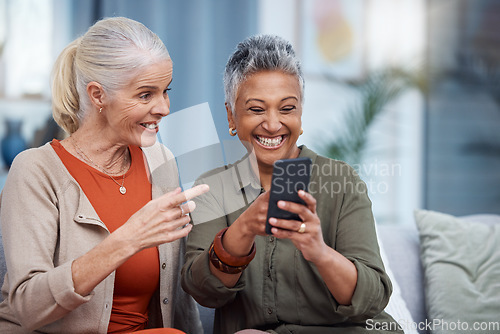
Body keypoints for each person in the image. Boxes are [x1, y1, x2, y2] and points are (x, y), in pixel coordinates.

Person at [181, 35, 403, 334]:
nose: (273, 125)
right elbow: (203, 292)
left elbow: (372, 299)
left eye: (286, 109)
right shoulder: (212, 188)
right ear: (231, 116)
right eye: (257, 110)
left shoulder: (341, 181)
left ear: (300, 114)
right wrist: (243, 229)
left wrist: (319, 251)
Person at [0, 17, 208, 333]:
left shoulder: (160, 160)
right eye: (145, 95)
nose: (164, 107)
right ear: (98, 95)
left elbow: (178, 293)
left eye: (165, 91)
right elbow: (28, 306)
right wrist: (127, 239)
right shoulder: (35, 170)